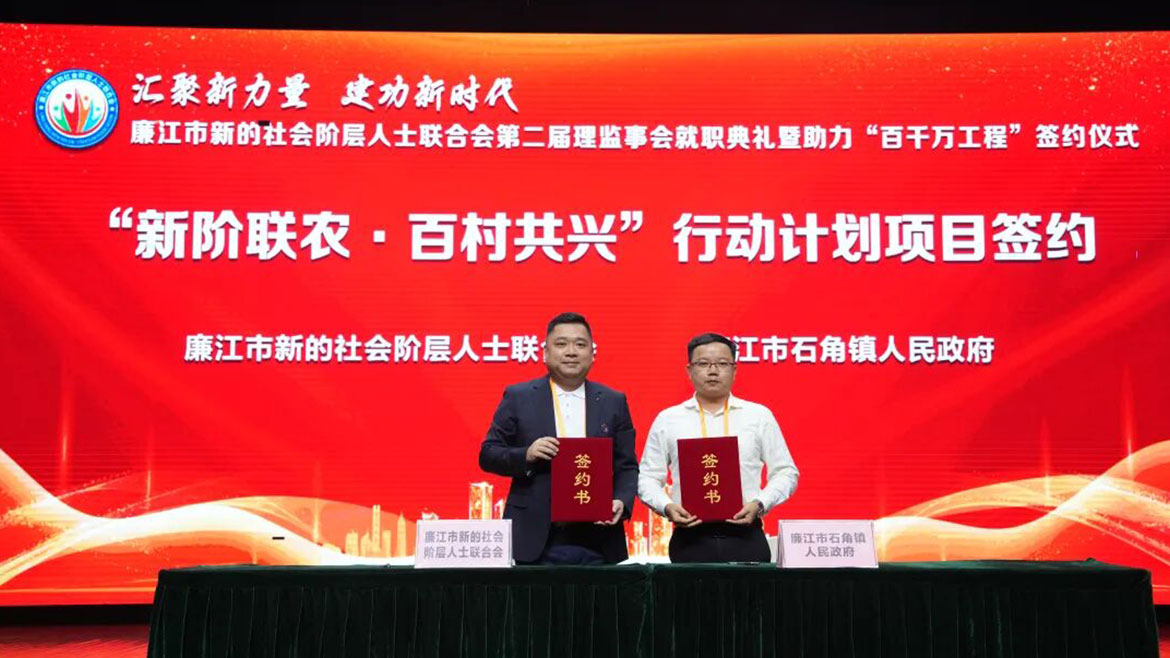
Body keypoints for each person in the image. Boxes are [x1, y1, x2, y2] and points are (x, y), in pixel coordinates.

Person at [479, 312, 638, 564]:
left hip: (597, 535)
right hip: (535, 535)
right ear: (545, 352)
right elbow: (488, 454)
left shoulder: (613, 401)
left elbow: (626, 465)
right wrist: (526, 454)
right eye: (561, 344)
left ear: (592, 353)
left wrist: (621, 500)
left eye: (580, 344)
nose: (571, 352)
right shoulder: (519, 397)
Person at [638, 332, 798, 563]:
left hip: (746, 536)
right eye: (703, 364)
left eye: (722, 364)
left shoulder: (759, 416)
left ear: (734, 370)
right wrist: (667, 507)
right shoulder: (668, 419)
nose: (713, 371)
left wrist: (760, 504)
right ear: (689, 370)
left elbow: (786, 472)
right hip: (690, 538)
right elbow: (647, 478)